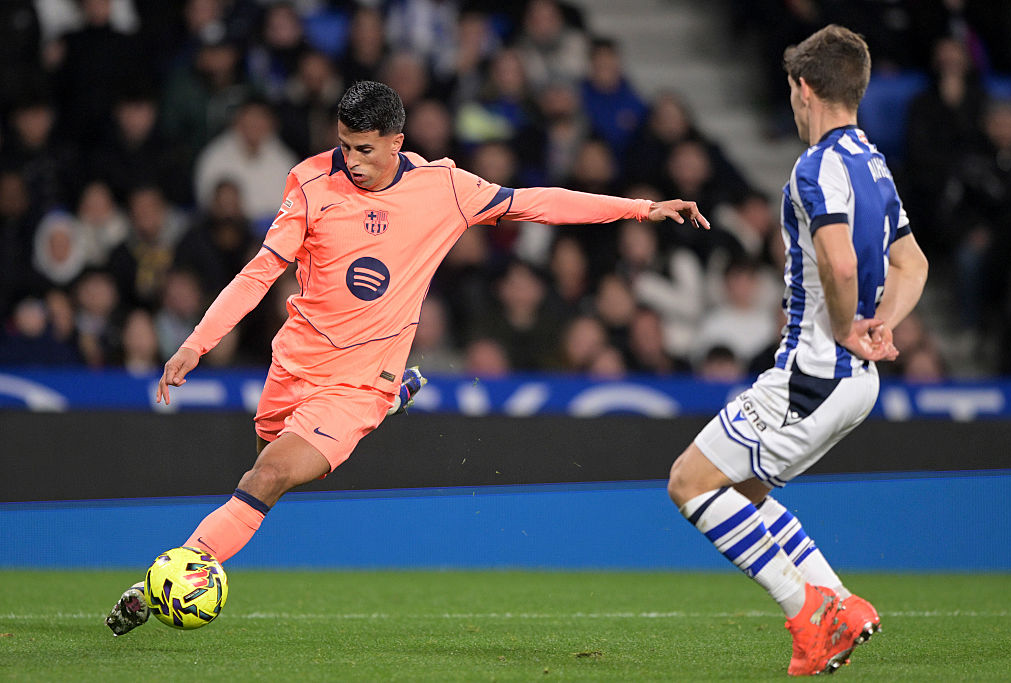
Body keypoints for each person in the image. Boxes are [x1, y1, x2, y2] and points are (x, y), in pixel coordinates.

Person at [106, 80, 710, 635]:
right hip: (295, 364)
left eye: (365, 149)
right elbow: (261, 271)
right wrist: (197, 343)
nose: (351, 160)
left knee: (265, 478)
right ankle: (390, 403)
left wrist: (639, 208)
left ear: (396, 141)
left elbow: (535, 202)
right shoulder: (311, 184)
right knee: (266, 465)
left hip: (356, 383)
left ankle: (162, 584)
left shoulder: (443, 189)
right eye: (344, 146)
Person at [665, 25, 928, 676]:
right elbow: (914, 263)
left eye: (791, 90)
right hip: (855, 380)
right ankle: (841, 603)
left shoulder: (817, 166)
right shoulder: (872, 163)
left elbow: (841, 265)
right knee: (742, 488)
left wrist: (846, 326)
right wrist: (880, 325)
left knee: (689, 482)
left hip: (814, 371)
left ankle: (807, 612)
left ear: (805, 89)